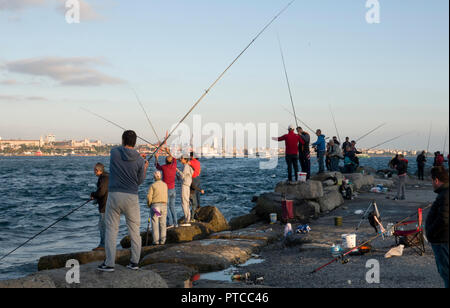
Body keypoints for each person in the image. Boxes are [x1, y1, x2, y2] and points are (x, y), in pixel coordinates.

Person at [98, 130, 149, 272]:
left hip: (114, 195)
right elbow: (139, 181)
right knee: (134, 231)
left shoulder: (114, 153)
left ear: (122, 140)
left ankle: (109, 263)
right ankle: (134, 262)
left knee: (111, 229)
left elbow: (122, 152)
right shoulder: (139, 160)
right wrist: (144, 167)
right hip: (131, 197)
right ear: (135, 142)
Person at [426, 167, 449, 288]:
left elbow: (443, 219)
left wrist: (431, 232)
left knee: (446, 273)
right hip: (441, 239)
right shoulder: (444, 193)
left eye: (431, 180)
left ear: (436, 180)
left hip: (442, 241)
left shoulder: (446, 195)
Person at [155, 148, 178, 229]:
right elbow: (174, 158)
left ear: (165, 161)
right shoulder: (174, 165)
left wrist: (156, 158)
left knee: (166, 206)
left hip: (166, 190)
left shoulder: (164, 167)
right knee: (172, 207)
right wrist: (168, 152)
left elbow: (157, 166)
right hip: (173, 190)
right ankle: (176, 223)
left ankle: (170, 223)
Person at [90, 163, 109, 251]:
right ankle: (107, 244)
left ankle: (103, 245)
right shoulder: (108, 176)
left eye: (95, 170)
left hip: (105, 206)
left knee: (102, 226)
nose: (94, 172)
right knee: (107, 226)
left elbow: (101, 192)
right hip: (109, 204)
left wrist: (93, 194)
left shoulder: (104, 178)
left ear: (98, 170)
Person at [147, 171, 168, 246]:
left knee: (155, 223)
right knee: (163, 223)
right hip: (164, 205)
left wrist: (149, 205)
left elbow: (149, 197)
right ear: (161, 176)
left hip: (156, 206)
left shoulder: (153, 185)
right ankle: (163, 241)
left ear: (154, 177)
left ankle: (156, 241)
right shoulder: (165, 185)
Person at [177, 155, 194, 226]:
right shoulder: (188, 166)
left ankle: (187, 220)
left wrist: (177, 170)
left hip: (185, 185)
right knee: (186, 201)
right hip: (187, 185)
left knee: (184, 202)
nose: (180, 159)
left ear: (185, 159)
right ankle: (188, 218)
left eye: (182, 158)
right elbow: (190, 174)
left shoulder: (186, 166)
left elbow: (183, 176)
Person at [189, 152, 202, 217]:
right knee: (197, 193)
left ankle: (193, 213)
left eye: (190, 156)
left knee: (193, 193)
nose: (190, 157)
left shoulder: (191, 162)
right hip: (198, 178)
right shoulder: (198, 162)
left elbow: (185, 163)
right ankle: (198, 206)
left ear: (192, 157)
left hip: (193, 178)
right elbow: (199, 169)